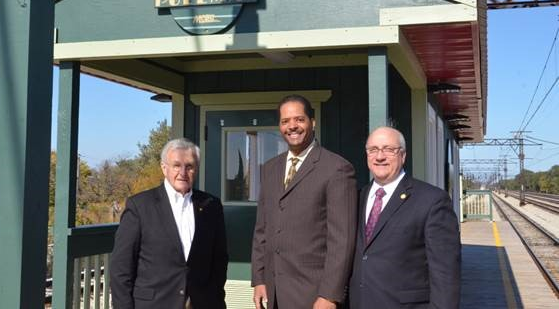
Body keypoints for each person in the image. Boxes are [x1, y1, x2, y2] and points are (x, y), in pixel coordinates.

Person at [251, 95, 358, 309]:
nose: (292, 126)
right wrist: (259, 279)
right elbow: (262, 229)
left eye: (299, 119)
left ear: (313, 122)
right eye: (285, 121)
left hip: (313, 294)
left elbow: (342, 240)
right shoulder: (270, 169)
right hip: (273, 293)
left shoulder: (336, 169)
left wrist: (330, 295)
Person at [348, 126, 461, 308]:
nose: (379, 156)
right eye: (373, 150)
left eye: (389, 149)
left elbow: (445, 274)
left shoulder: (432, 200)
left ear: (403, 155)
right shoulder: (357, 198)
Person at [110, 138, 228, 309]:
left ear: (196, 169)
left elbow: (219, 260)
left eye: (189, 166)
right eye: (176, 165)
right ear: (164, 168)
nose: (183, 172)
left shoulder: (211, 205)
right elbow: (121, 268)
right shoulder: (140, 206)